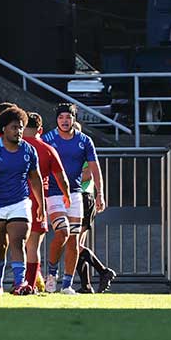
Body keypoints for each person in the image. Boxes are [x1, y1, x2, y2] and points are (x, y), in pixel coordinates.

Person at [0, 107, 44, 296]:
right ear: (4, 129)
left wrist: (42, 207)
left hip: (20, 203)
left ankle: (19, 283)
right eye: (14, 127)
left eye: (21, 127)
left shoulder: (29, 150)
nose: (18, 131)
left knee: (18, 241)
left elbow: (35, 178)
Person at [41, 103, 105, 295]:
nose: (65, 121)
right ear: (57, 120)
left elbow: (94, 168)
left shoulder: (84, 141)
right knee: (62, 232)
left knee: (74, 240)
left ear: (74, 119)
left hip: (76, 193)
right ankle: (52, 275)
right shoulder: (48, 139)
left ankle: (67, 284)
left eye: (68, 117)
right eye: (61, 117)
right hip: (53, 192)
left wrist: (100, 193)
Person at [21, 112, 70, 291]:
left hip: (14, 199)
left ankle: (13, 282)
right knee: (33, 245)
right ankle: (31, 284)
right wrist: (67, 194)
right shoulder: (47, 149)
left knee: (13, 244)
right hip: (37, 200)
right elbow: (61, 176)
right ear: (40, 129)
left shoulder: (15, 146)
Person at [72, 122, 116, 293]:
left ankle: (103, 271)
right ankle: (86, 285)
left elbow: (87, 175)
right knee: (75, 244)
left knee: (74, 244)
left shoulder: (83, 152)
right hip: (77, 198)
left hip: (83, 197)